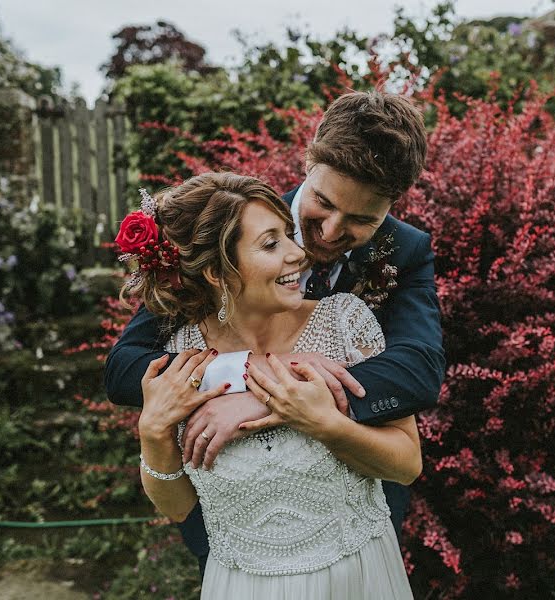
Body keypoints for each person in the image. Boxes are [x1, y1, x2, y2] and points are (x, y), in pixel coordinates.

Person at [105, 90, 446, 574]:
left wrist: (275, 396)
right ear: (308, 161)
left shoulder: (404, 251)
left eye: (361, 219)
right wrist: (243, 370)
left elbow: (418, 370)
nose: (328, 232)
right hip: (235, 531)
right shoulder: (233, 228)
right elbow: (125, 368)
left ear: (392, 206)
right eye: (324, 203)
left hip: (350, 531)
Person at [122, 172, 418, 599]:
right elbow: (179, 506)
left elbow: (407, 464)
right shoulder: (181, 356)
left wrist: (324, 424)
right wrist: (151, 434)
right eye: (271, 243)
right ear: (215, 271)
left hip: (356, 578)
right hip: (240, 585)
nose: (298, 253)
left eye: (288, 235)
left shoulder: (344, 322)